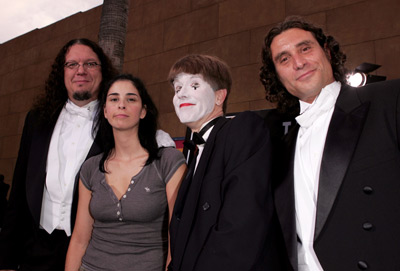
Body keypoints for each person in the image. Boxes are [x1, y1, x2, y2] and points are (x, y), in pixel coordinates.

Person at [0, 38, 174, 271]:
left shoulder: (115, 120)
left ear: (103, 72)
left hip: (92, 251)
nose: (80, 70)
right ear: (61, 73)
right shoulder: (37, 120)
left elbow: (143, 141)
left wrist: (160, 140)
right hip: (35, 248)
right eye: (72, 64)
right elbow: (19, 190)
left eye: (90, 64)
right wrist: (7, 259)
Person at [260, 16, 400, 271]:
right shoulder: (280, 146)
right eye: (284, 58)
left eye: (305, 48)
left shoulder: (389, 100)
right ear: (277, 75)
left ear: (326, 51)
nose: (299, 63)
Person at [167, 54, 283, 271]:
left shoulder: (242, 130)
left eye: (194, 85)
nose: (182, 93)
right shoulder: (194, 153)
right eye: (177, 88)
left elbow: (242, 227)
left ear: (219, 97)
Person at [65, 74, 186, 271]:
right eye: (114, 99)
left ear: (143, 111)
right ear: (105, 111)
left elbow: (178, 238)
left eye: (131, 99)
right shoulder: (90, 168)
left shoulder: (168, 162)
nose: (121, 105)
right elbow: (79, 239)